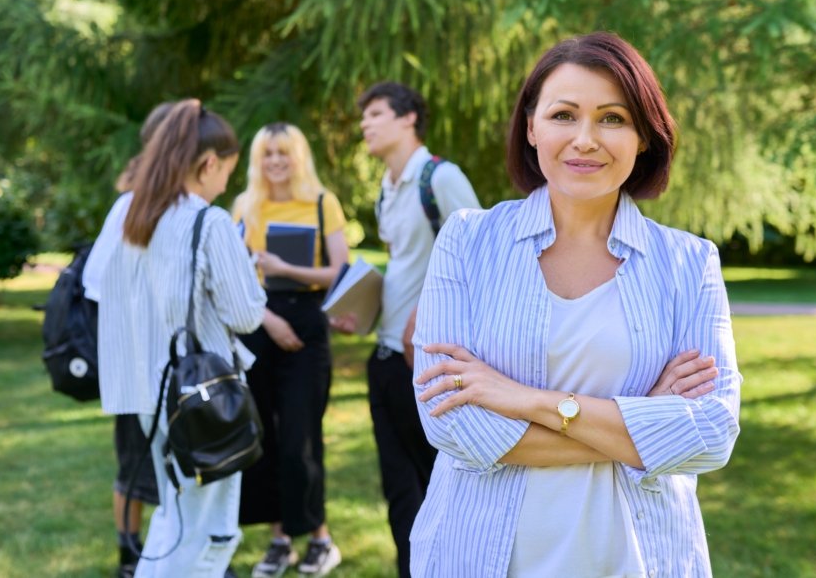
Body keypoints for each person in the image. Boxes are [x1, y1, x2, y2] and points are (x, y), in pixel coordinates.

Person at [409, 33, 741, 577]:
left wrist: (523, 399)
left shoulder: (689, 263)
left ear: (643, 137)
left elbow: (709, 434)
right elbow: (451, 425)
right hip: (479, 554)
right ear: (531, 127)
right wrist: (644, 424)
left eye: (613, 118)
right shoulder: (466, 241)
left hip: (639, 559)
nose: (585, 139)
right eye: (564, 115)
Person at [102, 99, 267, 578]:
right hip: (204, 397)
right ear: (209, 163)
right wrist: (249, 274)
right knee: (208, 534)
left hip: (151, 390)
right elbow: (246, 315)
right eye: (226, 172)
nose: (225, 185)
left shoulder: (136, 214)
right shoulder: (207, 221)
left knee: (174, 518)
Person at [334, 82, 480, 578]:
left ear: (408, 118)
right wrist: (361, 312)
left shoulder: (440, 178)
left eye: (375, 113)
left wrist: (428, 312)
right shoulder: (387, 187)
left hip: (427, 363)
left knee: (440, 488)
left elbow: (481, 260)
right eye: (364, 116)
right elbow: (402, 267)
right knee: (400, 493)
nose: (364, 124)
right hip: (384, 358)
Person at [231, 122, 348, 577]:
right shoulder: (244, 206)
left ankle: (319, 539)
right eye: (267, 153)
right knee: (265, 436)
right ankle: (280, 541)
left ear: (298, 157)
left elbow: (339, 272)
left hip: (306, 324)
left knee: (301, 436)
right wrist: (267, 318)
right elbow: (234, 278)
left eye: (284, 152)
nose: (275, 161)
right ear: (257, 160)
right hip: (258, 322)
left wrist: (285, 267)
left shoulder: (322, 202)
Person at [84, 101, 174, 578]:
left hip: (173, 363)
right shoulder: (131, 206)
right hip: (138, 362)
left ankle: (170, 556)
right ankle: (129, 556)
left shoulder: (182, 207)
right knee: (134, 464)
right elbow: (97, 283)